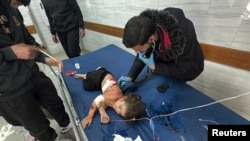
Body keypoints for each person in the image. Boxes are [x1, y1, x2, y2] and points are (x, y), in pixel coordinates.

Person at [0, 0, 72, 140]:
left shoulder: (11, 9)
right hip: (9, 88)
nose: (17, 5)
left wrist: (44, 58)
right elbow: (15, 50)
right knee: (37, 125)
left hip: (32, 72)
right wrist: (10, 52)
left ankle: (66, 125)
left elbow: (26, 39)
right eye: (16, 2)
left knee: (54, 101)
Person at [118, 7, 204, 88]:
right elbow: (142, 55)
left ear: (151, 39)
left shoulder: (184, 35)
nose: (137, 54)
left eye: (139, 50)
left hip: (190, 67)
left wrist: (155, 67)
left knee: (179, 87)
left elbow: (183, 69)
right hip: (167, 64)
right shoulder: (147, 29)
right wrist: (131, 76)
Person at [74, 67, 145, 128]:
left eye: (120, 113)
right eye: (119, 107)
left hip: (106, 81)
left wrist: (102, 112)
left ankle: (101, 69)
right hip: (100, 77)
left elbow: (104, 102)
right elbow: (97, 101)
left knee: (101, 79)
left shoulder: (119, 102)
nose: (117, 111)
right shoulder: (114, 95)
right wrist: (90, 116)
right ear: (124, 98)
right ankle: (85, 75)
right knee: (87, 85)